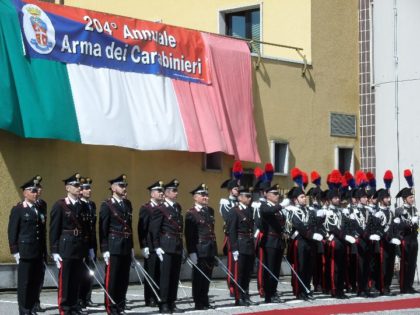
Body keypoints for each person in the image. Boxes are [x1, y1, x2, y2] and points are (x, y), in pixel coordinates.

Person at [50, 173, 92, 315]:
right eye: (75, 185)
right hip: (66, 247)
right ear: (67, 188)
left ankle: (74, 306)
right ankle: (65, 308)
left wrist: (88, 248)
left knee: (76, 279)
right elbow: (54, 229)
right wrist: (54, 251)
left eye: (79, 185)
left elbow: (86, 229)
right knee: (65, 280)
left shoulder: (83, 206)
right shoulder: (60, 205)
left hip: (79, 247)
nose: (78, 188)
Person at [8, 176, 47, 315]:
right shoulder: (18, 209)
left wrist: (44, 252)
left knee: (35, 283)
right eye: (32, 191)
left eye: (36, 191)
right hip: (25, 252)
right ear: (25, 193)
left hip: (37, 252)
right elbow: (12, 231)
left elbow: (42, 233)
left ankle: (31, 308)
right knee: (24, 284)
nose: (35, 193)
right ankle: (24, 311)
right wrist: (15, 252)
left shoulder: (40, 208)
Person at [99, 174, 134, 315]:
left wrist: (131, 247)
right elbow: (103, 228)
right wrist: (105, 248)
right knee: (112, 279)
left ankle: (120, 305)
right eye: (121, 185)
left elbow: (129, 226)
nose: (124, 188)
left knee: (123, 278)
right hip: (113, 246)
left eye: (125, 185)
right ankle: (111, 307)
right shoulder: (107, 205)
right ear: (113, 188)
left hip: (125, 245)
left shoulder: (127, 204)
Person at [150, 179, 183, 314]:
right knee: (165, 276)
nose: (176, 193)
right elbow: (154, 229)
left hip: (176, 245)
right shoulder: (160, 209)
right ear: (167, 193)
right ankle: (163, 303)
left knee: (175, 276)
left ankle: (172, 301)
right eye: (174, 191)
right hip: (166, 245)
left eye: (176, 190)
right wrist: (157, 246)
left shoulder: (177, 207)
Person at [185, 183, 217, 310]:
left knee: (207, 276)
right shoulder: (191, 213)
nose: (206, 197)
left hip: (210, 248)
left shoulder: (210, 211)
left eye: (207, 195)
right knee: (199, 277)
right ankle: (198, 301)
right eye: (202, 195)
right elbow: (189, 235)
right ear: (195, 197)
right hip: (199, 249)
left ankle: (205, 298)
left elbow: (211, 231)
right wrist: (191, 251)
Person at [288, 186, 322, 300]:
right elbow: (298, 225)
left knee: (309, 267)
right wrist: (312, 234)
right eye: (302, 197)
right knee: (300, 267)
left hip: (309, 242)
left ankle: (307, 288)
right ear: (295, 199)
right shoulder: (292, 210)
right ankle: (299, 291)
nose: (304, 199)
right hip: (300, 241)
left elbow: (314, 224)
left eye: (304, 197)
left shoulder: (309, 210)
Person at [228, 186, 257, 306]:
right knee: (239, 273)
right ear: (240, 197)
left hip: (249, 245)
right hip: (240, 245)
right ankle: (238, 297)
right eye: (247, 196)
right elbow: (232, 231)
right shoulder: (234, 211)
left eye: (250, 196)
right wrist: (234, 248)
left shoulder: (250, 210)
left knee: (247, 273)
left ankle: (246, 294)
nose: (250, 198)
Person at [138, 180, 165, 307]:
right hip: (150, 245)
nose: (161, 193)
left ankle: (158, 295)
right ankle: (150, 298)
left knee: (160, 273)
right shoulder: (146, 208)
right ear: (152, 193)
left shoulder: (163, 208)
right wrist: (143, 245)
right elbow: (142, 228)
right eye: (158, 191)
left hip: (161, 245)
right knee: (151, 273)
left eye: (162, 191)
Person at [259, 183, 286, 303]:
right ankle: (268, 294)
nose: (277, 196)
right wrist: (281, 206)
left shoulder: (278, 208)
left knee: (276, 269)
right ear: (267, 195)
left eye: (277, 194)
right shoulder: (264, 206)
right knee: (269, 269)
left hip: (278, 241)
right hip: (269, 241)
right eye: (274, 194)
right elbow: (269, 212)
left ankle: (274, 291)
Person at [394, 186, 418, 294]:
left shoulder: (414, 209)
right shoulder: (399, 210)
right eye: (410, 197)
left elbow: (417, 226)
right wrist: (409, 223)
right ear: (404, 199)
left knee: (413, 263)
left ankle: (410, 285)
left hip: (413, 238)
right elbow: (399, 226)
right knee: (405, 263)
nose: (412, 199)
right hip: (405, 239)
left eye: (413, 197)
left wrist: (416, 224)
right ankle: (403, 286)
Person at [78, 177, 98, 308]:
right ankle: (79, 298)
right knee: (81, 273)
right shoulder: (79, 205)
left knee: (90, 271)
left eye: (89, 188)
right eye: (86, 188)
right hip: (82, 242)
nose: (88, 190)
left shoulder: (92, 205)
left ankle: (87, 297)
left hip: (91, 242)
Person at [219, 177, 239, 297]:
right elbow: (227, 217)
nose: (238, 191)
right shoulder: (225, 203)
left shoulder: (240, 202)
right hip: (231, 235)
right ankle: (232, 286)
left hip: (241, 236)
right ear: (231, 190)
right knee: (232, 264)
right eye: (236, 189)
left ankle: (240, 286)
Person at [34, 177, 48, 313]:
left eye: (39, 189)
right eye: (35, 189)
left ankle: (36, 301)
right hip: (32, 247)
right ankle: (30, 303)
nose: (38, 191)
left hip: (41, 246)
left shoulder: (42, 204)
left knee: (40, 276)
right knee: (31, 277)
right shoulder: (24, 206)